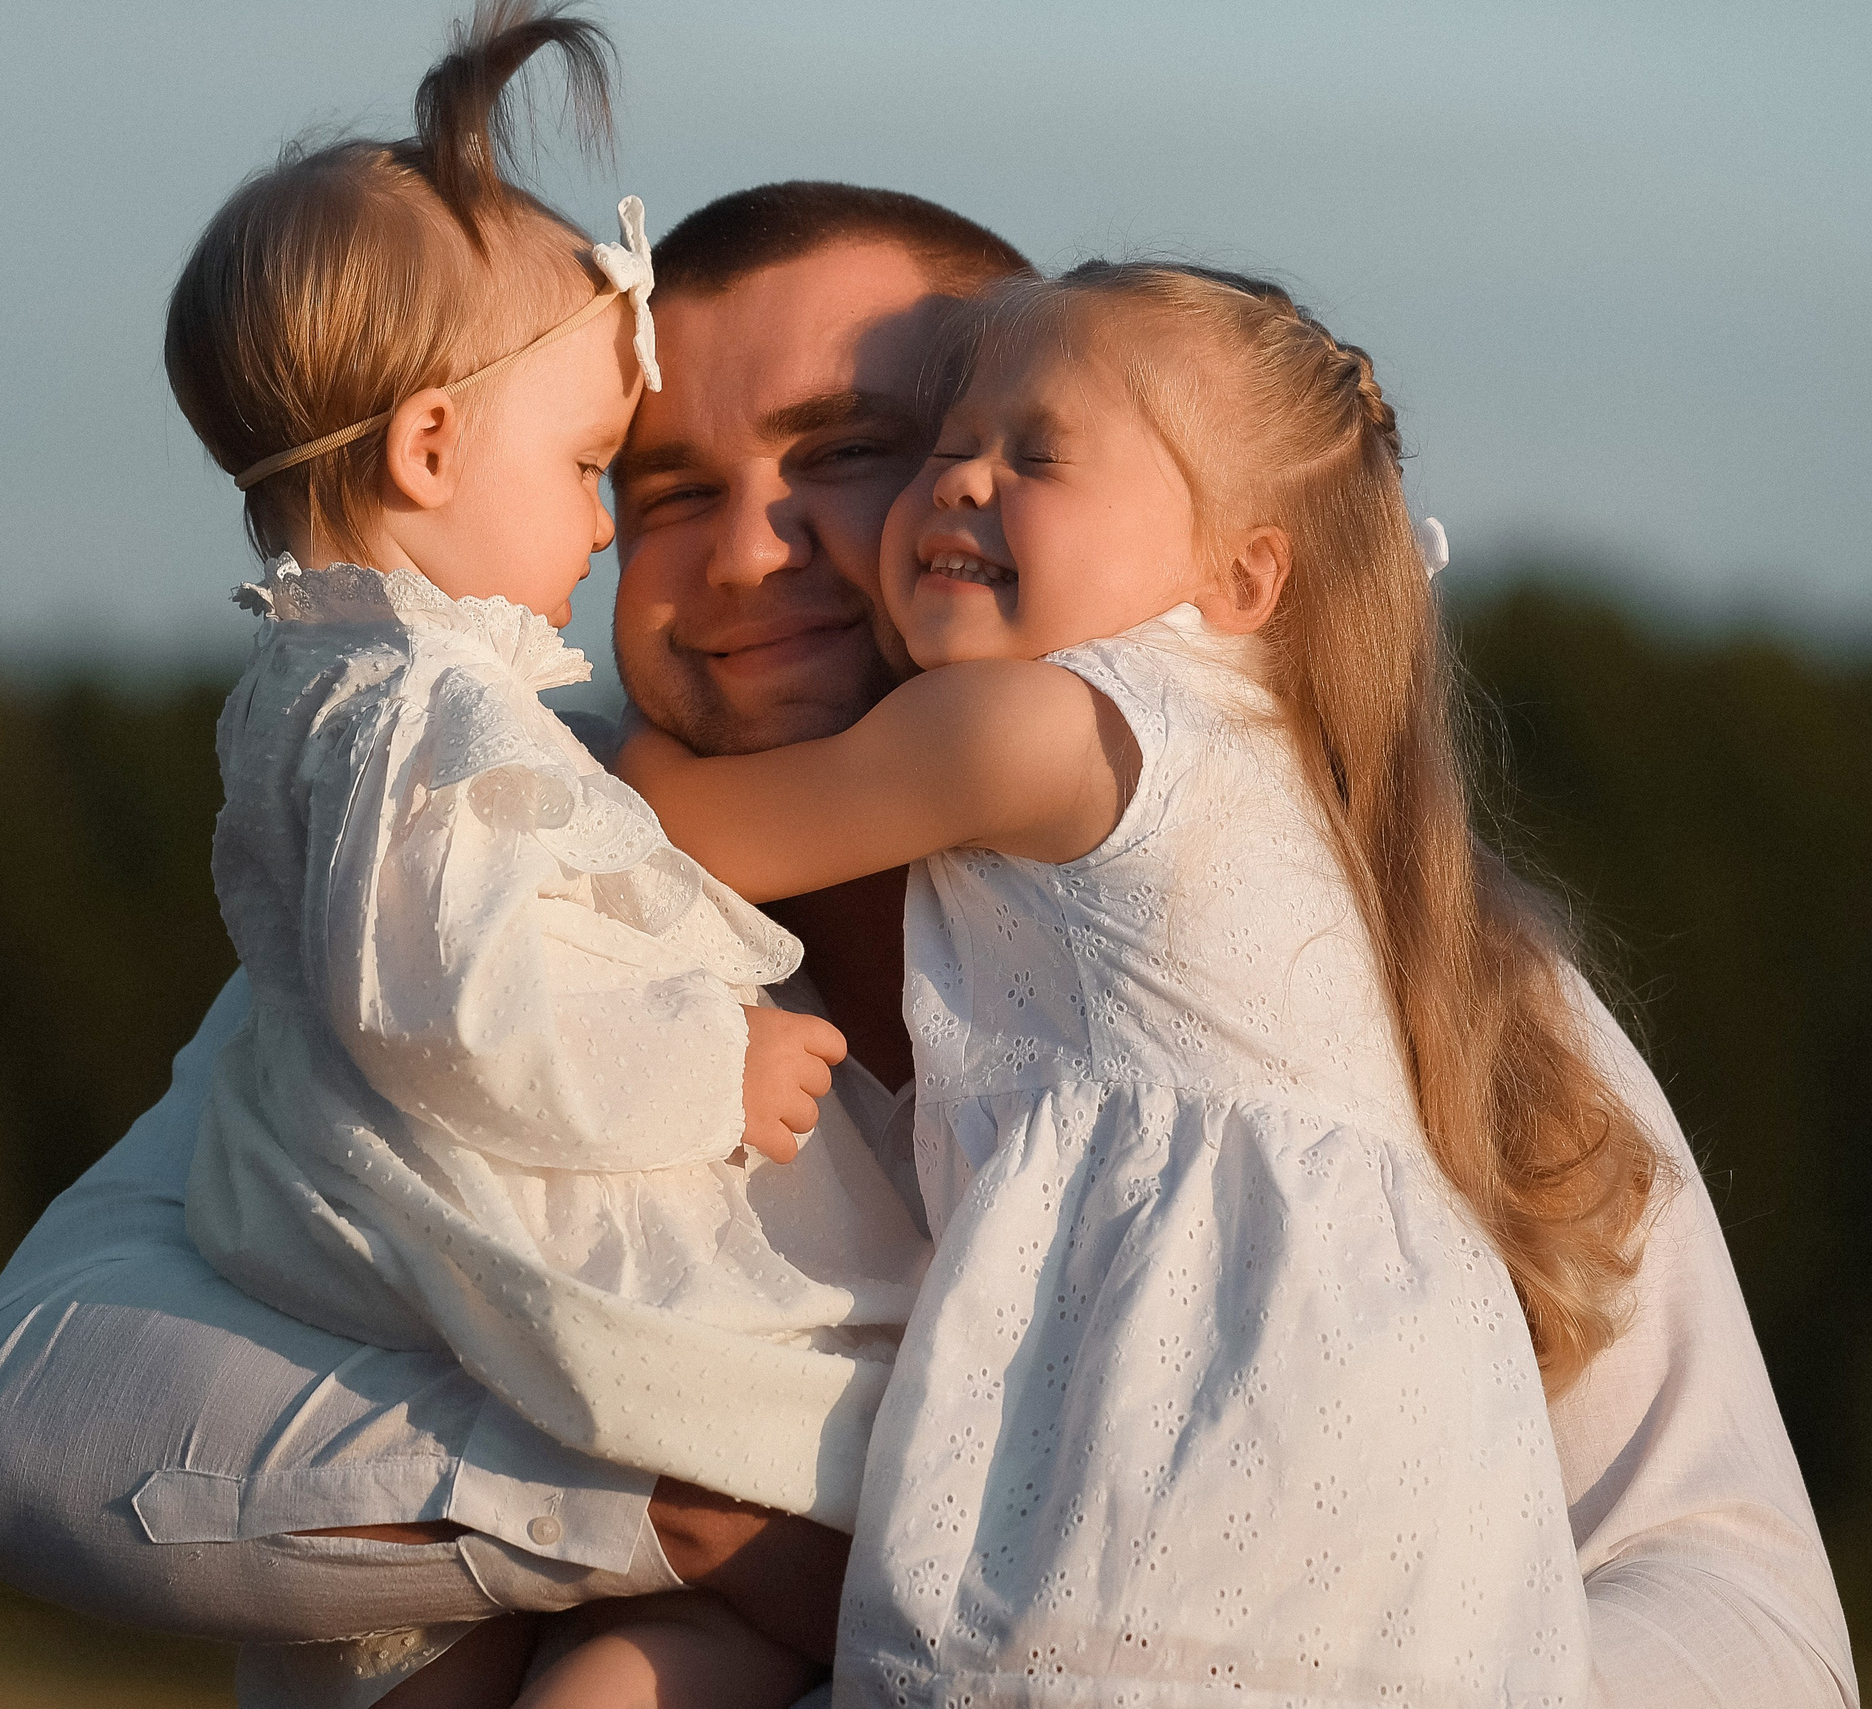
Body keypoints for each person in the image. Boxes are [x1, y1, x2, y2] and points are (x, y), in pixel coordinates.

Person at [0, 179, 1861, 1708]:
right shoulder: (473, 911)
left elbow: (1742, 1603)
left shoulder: (1397, 958)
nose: (756, 544)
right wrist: (676, 1520)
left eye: (864, 447)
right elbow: (30, 1418)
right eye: (656, 482)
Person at [619, 257, 1657, 1704]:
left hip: (1200, 1450)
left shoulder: (1045, 726)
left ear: (1242, 574)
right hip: (1408, 1498)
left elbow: (688, 830)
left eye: (1036, 455)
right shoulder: (1277, 761)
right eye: (945, 447)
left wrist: (580, 728)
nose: (963, 483)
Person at [153, 11, 923, 1707]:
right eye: (608, 472)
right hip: (543, 1259)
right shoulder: (421, 719)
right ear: (430, 450)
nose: (598, 528)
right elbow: (468, 1001)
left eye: (845, 455)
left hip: (429, 1303)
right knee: (800, 1450)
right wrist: (701, 1061)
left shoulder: (344, 693)